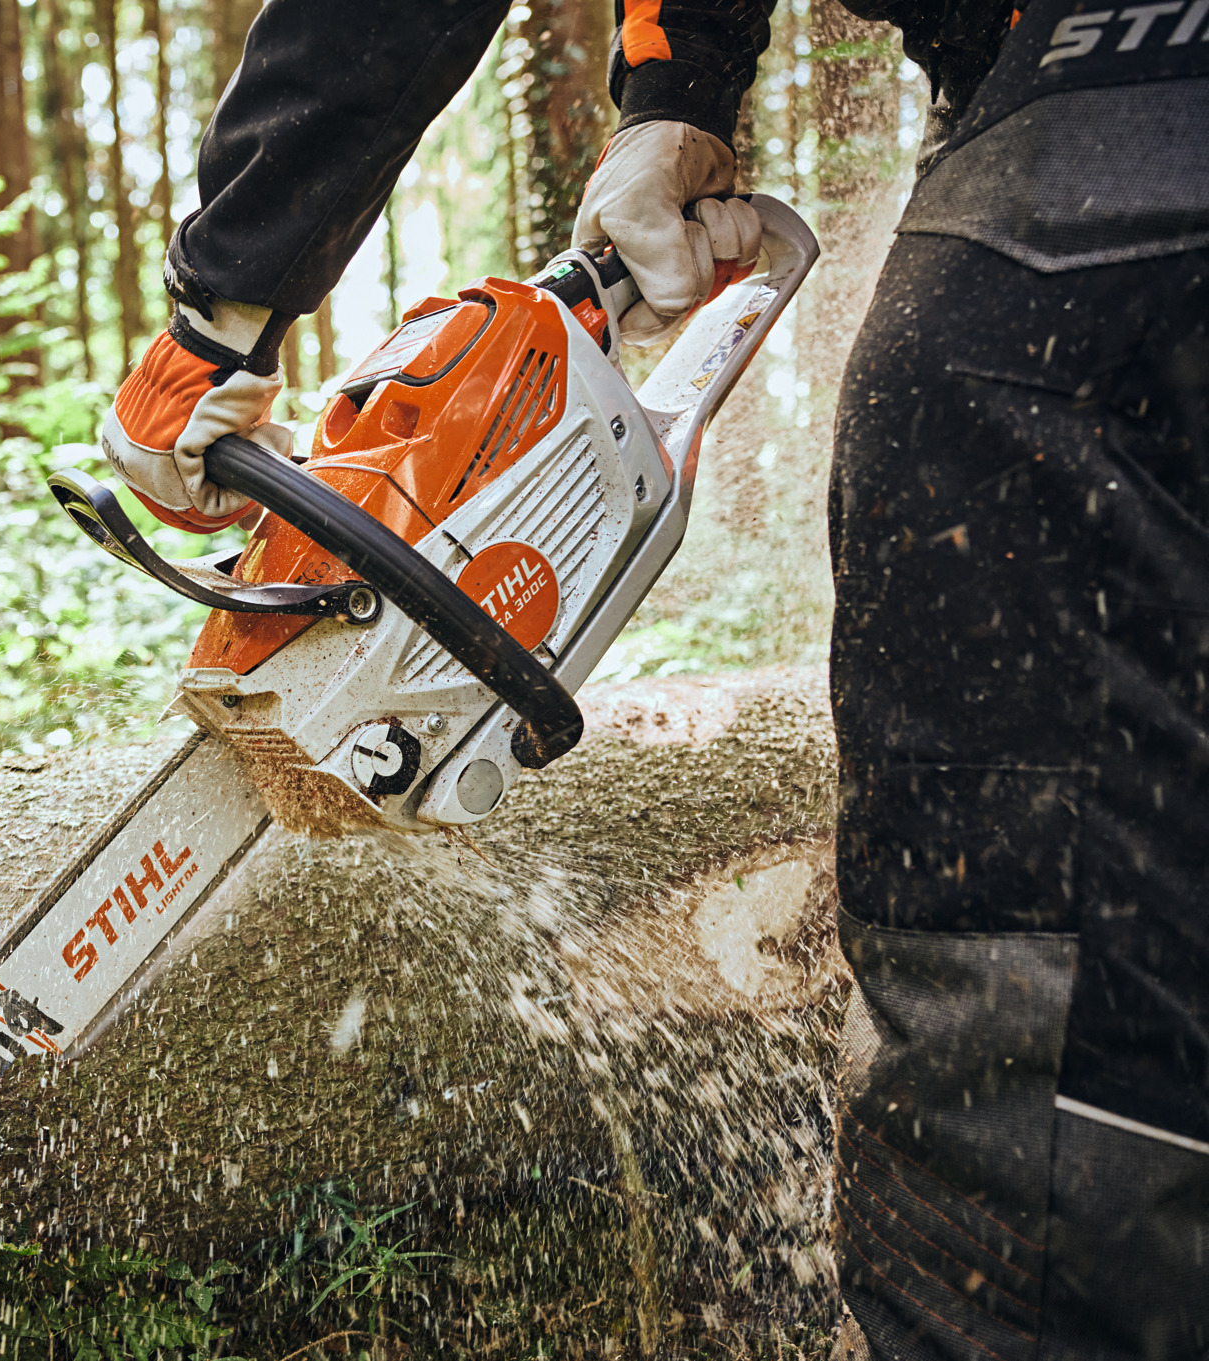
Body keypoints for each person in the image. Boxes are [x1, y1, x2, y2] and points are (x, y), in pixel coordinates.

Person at [97, 2, 1209, 1356]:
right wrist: (678, 94)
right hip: (1047, 76)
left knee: (995, 376)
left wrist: (224, 304)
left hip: (1103, 142)